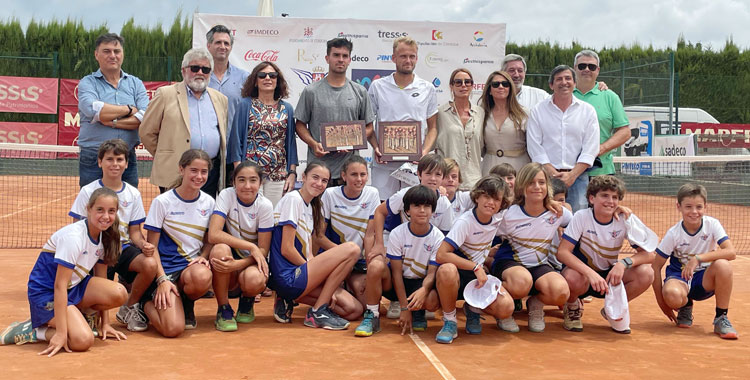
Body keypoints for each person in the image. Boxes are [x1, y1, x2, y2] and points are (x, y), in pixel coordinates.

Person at [1, 188, 128, 355]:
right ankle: (32, 330)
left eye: (111, 211)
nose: (106, 216)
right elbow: (59, 286)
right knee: (83, 340)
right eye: (100, 210)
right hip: (47, 293)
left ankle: (78, 316)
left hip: (74, 287)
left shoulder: (106, 235)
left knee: (119, 293)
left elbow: (101, 277)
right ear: (88, 209)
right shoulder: (74, 237)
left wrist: (105, 323)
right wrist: (61, 333)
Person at [68, 139, 157, 333]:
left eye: (119, 159)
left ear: (126, 163)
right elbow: (77, 229)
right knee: (95, 292)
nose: (114, 164)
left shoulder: (133, 193)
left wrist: (143, 245)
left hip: (121, 247)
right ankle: (88, 311)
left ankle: (130, 307)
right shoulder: (88, 191)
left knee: (150, 264)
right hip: (93, 251)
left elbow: (134, 232)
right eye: (109, 159)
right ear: (100, 162)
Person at [268, 161, 362, 330]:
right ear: (303, 177)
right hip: (288, 276)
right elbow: (287, 249)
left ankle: (294, 300)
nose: (319, 184)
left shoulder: (311, 207)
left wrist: (319, 279)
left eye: (324, 181)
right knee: (353, 249)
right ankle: (317, 311)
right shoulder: (293, 199)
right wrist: (315, 273)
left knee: (353, 309)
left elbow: (309, 253)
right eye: (315, 178)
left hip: (302, 275)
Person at [557, 176, 655, 333]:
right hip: (583, 277)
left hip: (608, 277)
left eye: (615, 197)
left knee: (646, 273)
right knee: (571, 277)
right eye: (604, 195)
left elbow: (649, 255)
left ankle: (612, 308)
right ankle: (573, 306)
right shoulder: (581, 217)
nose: (610, 201)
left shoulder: (624, 219)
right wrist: (590, 273)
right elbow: (562, 252)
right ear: (591, 198)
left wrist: (623, 264)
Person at [491, 163, 572, 333]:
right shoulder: (508, 213)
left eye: (541, 182)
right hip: (509, 263)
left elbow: (580, 222)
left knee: (561, 292)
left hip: (539, 265)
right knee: (522, 282)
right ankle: (502, 310)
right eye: (531, 182)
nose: (537, 187)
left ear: (547, 186)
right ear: (522, 186)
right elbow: (484, 231)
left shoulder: (557, 213)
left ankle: (536, 304)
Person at [142, 149, 215, 337]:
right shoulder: (163, 202)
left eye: (204, 172)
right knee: (172, 329)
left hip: (188, 271)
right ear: (181, 169)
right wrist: (162, 279)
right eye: (194, 170)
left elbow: (210, 239)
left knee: (202, 276)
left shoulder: (209, 203)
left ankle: (185, 302)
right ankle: (143, 303)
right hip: (164, 270)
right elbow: (152, 248)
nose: (199, 176)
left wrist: (203, 256)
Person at [434, 176, 515, 344]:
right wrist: (476, 267)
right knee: (446, 269)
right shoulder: (465, 222)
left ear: (502, 204)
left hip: (476, 279)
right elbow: (441, 254)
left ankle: (473, 309)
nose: (490, 202)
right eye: (486, 196)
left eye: (496, 199)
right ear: (477, 197)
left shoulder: (499, 217)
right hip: (458, 274)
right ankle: (450, 321)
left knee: (507, 307)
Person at [652, 183, 738, 339]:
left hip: (704, 279)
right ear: (678, 206)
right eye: (688, 206)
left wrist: (698, 259)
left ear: (706, 207)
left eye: (699, 207)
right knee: (671, 294)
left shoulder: (712, 225)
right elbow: (656, 266)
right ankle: (685, 306)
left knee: (723, 265)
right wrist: (662, 303)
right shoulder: (674, 234)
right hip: (680, 277)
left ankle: (721, 318)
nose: (694, 212)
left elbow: (731, 252)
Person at [139, 48, 229, 198]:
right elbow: (146, 132)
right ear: (183, 70)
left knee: (205, 216)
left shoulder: (220, 99)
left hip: (210, 172)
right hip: (176, 171)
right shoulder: (165, 94)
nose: (200, 72)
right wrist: (168, 154)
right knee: (173, 217)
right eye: (195, 68)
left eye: (205, 69)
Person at [357, 185, 443, 337]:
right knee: (376, 265)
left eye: (427, 206)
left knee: (432, 301)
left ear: (433, 210)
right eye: (417, 206)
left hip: (420, 284)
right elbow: (396, 274)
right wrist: (404, 308)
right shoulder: (397, 233)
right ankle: (372, 315)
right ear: (407, 210)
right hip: (397, 284)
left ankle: (418, 311)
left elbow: (431, 274)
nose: (422, 210)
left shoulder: (437, 237)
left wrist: (423, 290)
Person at [296, 38, 376, 187]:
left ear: (350, 60)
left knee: (346, 211)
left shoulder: (360, 91)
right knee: (317, 211)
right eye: (336, 55)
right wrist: (314, 144)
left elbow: (370, 127)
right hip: (318, 172)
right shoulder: (311, 91)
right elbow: (299, 125)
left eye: (345, 56)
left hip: (349, 173)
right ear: (327, 58)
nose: (340, 60)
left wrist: (352, 141)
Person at [368, 36, 438, 200]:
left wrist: (424, 152)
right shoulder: (377, 86)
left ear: (417, 58)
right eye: (403, 56)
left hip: (414, 165)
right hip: (384, 164)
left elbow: (433, 128)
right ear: (393, 58)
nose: (408, 60)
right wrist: (376, 147)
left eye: (412, 56)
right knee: (382, 208)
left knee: (412, 210)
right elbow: (368, 124)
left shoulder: (427, 88)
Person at [207, 161, 274, 332]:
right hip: (231, 258)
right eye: (241, 180)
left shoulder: (265, 206)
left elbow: (264, 250)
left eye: (253, 180)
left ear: (261, 183)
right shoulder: (226, 195)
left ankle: (247, 301)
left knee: (254, 280)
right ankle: (224, 309)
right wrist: (251, 247)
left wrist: (239, 263)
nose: (247, 186)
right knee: (219, 250)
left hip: (249, 263)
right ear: (233, 182)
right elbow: (213, 234)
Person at [77, 33, 148, 188]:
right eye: (106, 51)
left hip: (126, 156)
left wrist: (112, 122)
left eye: (117, 51)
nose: (112, 55)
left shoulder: (136, 84)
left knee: (127, 207)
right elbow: (93, 110)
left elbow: (144, 117)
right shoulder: (87, 83)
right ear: (96, 54)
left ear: (122, 55)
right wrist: (129, 109)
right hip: (93, 156)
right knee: (93, 206)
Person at [526, 65, 600, 213]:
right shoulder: (538, 110)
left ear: (574, 83)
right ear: (551, 85)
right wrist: (553, 174)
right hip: (546, 178)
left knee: (577, 221)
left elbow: (591, 148)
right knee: (548, 220)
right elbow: (534, 146)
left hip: (579, 178)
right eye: (558, 79)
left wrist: (572, 175)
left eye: (568, 79)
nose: (564, 82)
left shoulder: (588, 111)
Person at [229, 61, 298, 206]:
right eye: (262, 75)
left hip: (278, 175)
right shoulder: (245, 105)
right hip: (251, 174)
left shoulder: (287, 109)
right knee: (251, 217)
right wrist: (239, 173)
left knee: (273, 218)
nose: (268, 78)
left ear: (277, 81)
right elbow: (235, 140)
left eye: (272, 75)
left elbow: (290, 143)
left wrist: (292, 173)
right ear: (255, 81)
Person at [318, 156, 381, 310]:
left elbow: (369, 235)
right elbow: (319, 236)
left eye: (363, 174)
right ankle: (334, 287)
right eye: (353, 174)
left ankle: (349, 285)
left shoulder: (372, 194)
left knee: (368, 305)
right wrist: (344, 254)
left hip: (358, 263)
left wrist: (368, 268)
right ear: (343, 176)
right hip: (334, 259)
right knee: (339, 306)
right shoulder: (330, 194)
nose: (359, 179)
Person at [205, 24, 250, 187]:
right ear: (208, 46)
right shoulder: (199, 75)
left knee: (233, 201)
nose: (222, 47)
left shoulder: (245, 78)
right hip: (206, 151)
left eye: (226, 43)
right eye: (218, 43)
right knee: (205, 199)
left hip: (234, 151)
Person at [573, 50, 630, 177]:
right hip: (569, 172)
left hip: (602, 172)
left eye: (591, 67)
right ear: (574, 69)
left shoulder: (610, 97)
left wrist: (601, 148)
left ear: (597, 70)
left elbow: (625, 131)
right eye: (582, 66)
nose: (587, 69)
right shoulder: (563, 95)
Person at [435, 68, 484, 190]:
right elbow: (429, 141)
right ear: (451, 86)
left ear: (472, 86)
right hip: (447, 182)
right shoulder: (440, 113)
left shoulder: (481, 113)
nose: (463, 85)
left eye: (467, 82)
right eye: (458, 82)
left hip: (474, 181)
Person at [480, 70, 530, 175]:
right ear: (489, 90)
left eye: (505, 84)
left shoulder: (524, 113)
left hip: (518, 168)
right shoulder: (482, 114)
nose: (501, 87)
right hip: (490, 167)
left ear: (510, 88)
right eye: (495, 84)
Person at [442, 158, 473, 227]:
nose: (450, 180)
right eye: (446, 176)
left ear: (459, 180)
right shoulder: (432, 197)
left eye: (454, 177)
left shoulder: (464, 197)